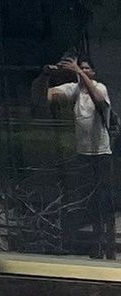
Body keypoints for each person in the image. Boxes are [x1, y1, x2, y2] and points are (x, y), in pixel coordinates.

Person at [43, 54, 116, 259]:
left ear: (92, 72)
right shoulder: (74, 89)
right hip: (83, 155)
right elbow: (45, 96)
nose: (82, 71)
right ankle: (95, 246)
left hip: (101, 154)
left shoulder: (98, 87)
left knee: (105, 202)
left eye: (86, 69)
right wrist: (46, 75)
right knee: (88, 202)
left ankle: (108, 247)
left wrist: (79, 72)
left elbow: (99, 101)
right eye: (80, 68)